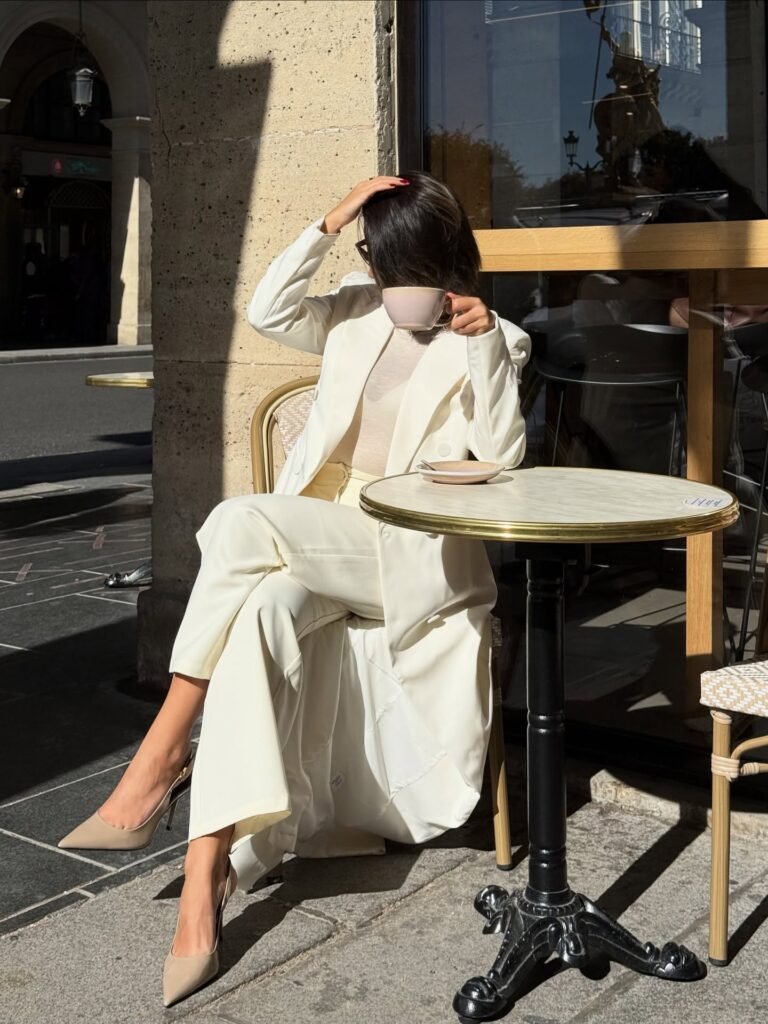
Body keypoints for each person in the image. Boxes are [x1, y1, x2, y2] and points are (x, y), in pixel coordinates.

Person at [57, 171, 531, 1005]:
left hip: (409, 554)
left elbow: (503, 456)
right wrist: (329, 219)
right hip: (324, 535)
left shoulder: (495, 338)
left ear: (440, 259)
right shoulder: (354, 309)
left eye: (398, 268)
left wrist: (485, 338)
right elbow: (268, 311)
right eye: (376, 264)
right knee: (262, 613)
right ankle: (206, 878)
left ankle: (160, 756)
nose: (389, 285)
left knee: (241, 523)